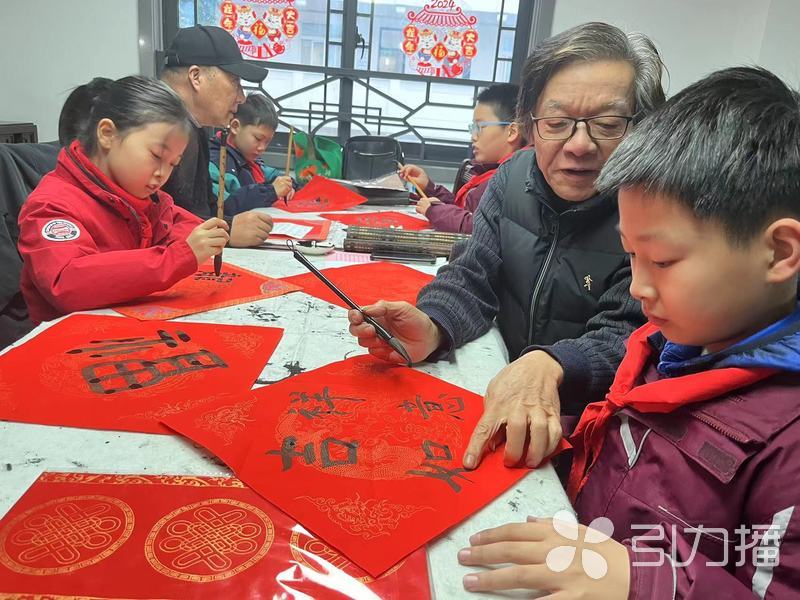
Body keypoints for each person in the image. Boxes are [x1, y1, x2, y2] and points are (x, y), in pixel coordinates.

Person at [458, 66, 800, 599]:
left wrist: (641, 581)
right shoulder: (667, 345)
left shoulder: (788, 439)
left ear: (778, 252)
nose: (638, 288)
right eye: (631, 256)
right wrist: (559, 435)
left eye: (661, 261)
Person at [349, 22, 664, 469]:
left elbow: (636, 333)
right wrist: (435, 325)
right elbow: (474, 272)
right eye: (556, 123)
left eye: (608, 125)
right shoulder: (512, 178)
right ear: (530, 124)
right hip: (506, 395)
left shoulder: (652, 207)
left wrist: (552, 363)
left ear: (642, 129)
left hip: (597, 431)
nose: (579, 145)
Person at [17, 76, 229, 324]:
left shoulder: (145, 198)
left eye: (173, 164)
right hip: (70, 341)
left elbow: (184, 225)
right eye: (157, 155)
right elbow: (66, 281)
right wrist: (176, 258)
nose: (162, 173)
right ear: (107, 134)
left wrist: (206, 237)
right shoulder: (51, 205)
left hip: (127, 324)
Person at [160, 24, 274, 247]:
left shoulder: (193, 128)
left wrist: (228, 225)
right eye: (235, 82)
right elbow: (152, 224)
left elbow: (201, 208)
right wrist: (228, 230)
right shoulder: (154, 126)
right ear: (196, 76)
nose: (241, 97)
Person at [399, 83, 524, 234]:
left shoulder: (515, 179)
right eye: (473, 128)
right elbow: (463, 209)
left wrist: (435, 211)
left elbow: (479, 227)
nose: (473, 137)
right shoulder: (495, 170)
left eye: (480, 127)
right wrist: (429, 188)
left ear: (512, 131)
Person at [208, 92, 297, 217]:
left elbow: (275, 176)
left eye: (267, 142)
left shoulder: (252, 161)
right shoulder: (216, 162)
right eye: (258, 138)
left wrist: (288, 184)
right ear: (235, 126)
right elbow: (223, 207)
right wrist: (270, 192)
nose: (262, 148)